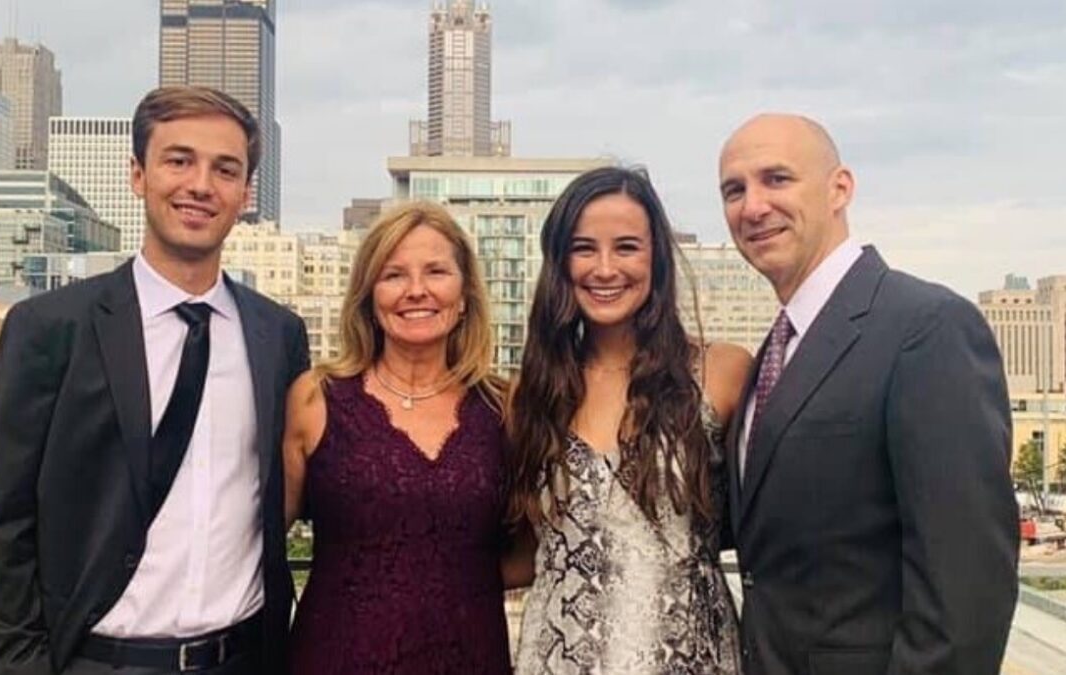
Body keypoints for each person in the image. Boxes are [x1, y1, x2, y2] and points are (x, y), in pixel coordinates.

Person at [0, 86, 310, 675]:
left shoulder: (278, 335)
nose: (200, 185)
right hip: (98, 660)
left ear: (244, 194)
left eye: (225, 169)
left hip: (242, 656)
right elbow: (3, 520)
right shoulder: (50, 328)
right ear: (138, 174)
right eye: (178, 160)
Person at [717, 113, 1018, 675]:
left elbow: (966, 592)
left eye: (776, 179)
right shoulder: (773, 354)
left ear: (840, 189)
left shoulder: (927, 328)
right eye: (734, 190)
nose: (752, 206)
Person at [508, 166, 752, 674]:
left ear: (656, 258)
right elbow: (522, 547)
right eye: (583, 248)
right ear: (559, 262)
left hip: (690, 658)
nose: (604, 268)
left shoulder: (721, 375)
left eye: (625, 247)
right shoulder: (528, 394)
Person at [283, 201, 513, 674]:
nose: (416, 291)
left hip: (470, 656)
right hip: (336, 659)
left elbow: (533, 548)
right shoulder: (315, 399)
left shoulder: (506, 409)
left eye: (436, 271)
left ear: (466, 293)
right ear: (368, 294)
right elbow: (262, 537)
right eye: (393, 275)